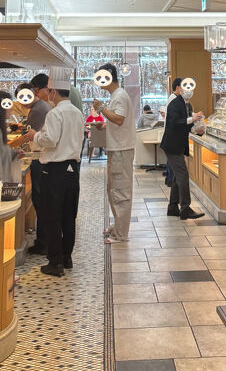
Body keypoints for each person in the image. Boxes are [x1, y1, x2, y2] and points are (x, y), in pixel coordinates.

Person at [25, 71, 84, 277]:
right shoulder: (77, 112)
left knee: (52, 216)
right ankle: (67, 258)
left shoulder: (55, 113)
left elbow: (50, 140)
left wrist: (35, 136)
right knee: (69, 215)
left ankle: (55, 262)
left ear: (53, 92)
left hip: (54, 170)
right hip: (73, 169)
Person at [93, 62, 136, 244]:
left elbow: (119, 119)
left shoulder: (120, 95)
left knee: (121, 191)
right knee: (113, 189)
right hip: (117, 148)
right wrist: (104, 125)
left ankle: (121, 234)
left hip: (121, 149)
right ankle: (118, 226)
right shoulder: (116, 96)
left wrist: (101, 108)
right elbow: (116, 121)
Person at [13, 81, 51, 255]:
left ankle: (43, 242)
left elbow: (29, 136)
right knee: (41, 201)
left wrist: (8, 146)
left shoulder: (37, 110)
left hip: (40, 158)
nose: (21, 103)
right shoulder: (41, 106)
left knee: (40, 201)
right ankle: (44, 240)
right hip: (42, 157)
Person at [160, 77, 205, 220]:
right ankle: (185, 208)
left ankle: (173, 207)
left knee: (176, 176)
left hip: (178, 145)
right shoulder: (174, 103)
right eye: (186, 87)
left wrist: (197, 129)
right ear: (179, 88)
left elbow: (186, 126)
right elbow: (174, 122)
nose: (189, 91)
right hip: (172, 145)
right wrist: (192, 119)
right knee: (183, 176)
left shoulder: (187, 105)